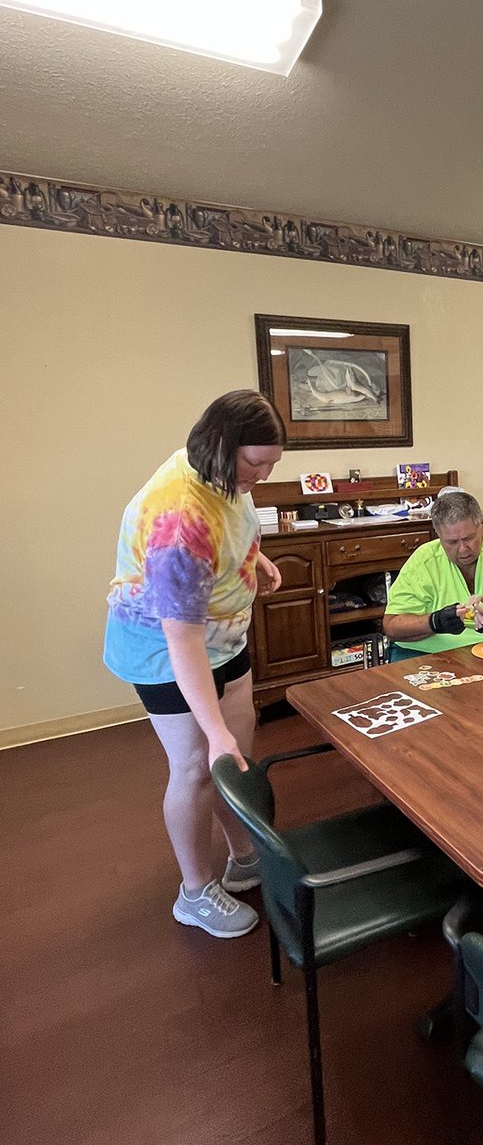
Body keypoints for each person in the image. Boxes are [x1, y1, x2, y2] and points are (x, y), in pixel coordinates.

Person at [104, 391, 286, 939]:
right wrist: (213, 732)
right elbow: (180, 639)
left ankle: (243, 855)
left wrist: (255, 558)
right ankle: (194, 892)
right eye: (256, 463)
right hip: (166, 647)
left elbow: (228, 524)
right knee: (198, 764)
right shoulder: (178, 518)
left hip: (222, 634)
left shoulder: (220, 472)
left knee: (237, 755)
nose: (263, 473)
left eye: (272, 463)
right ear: (221, 446)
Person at [382, 489, 483, 658]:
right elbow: (392, 627)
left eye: (469, 538)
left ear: (482, 526)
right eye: (452, 542)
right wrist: (435, 622)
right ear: (438, 534)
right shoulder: (423, 562)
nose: (463, 549)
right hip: (430, 654)